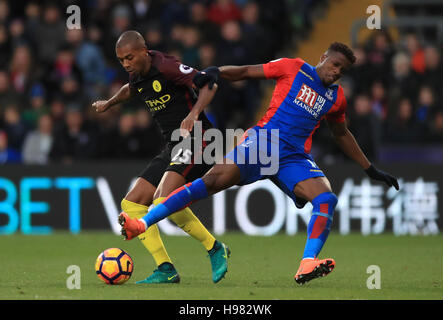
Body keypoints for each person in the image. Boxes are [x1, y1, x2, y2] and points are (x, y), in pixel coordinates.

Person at [119, 42, 400, 285]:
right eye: (335, 64)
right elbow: (247, 71)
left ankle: (307, 263)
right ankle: (142, 224)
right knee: (212, 181)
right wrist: (216, 72)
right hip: (263, 144)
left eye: (343, 70)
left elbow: (341, 133)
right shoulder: (294, 68)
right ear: (323, 57)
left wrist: (369, 168)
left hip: (293, 158)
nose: (337, 71)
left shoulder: (336, 98)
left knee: (326, 199)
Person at [91, 31, 230, 284]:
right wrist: (109, 104)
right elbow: (129, 90)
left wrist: (194, 114)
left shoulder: (167, 66)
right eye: (121, 60)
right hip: (175, 145)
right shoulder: (137, 75)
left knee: (164, 199)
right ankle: (165, 269)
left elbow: (210, 83)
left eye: (130, 57)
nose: (126, 64)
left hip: (201, 138)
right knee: (131, 204)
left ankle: (215, 248)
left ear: (144, 51)